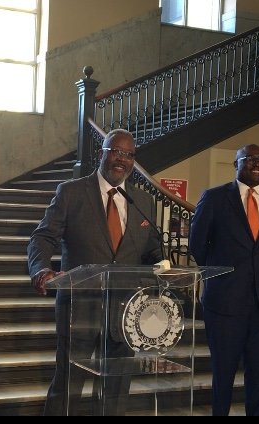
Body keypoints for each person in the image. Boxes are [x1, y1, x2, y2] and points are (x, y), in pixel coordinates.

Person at [27, 128, 163, 416]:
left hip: (126, 312)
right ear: (102, 153)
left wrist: (163, 274)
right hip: (80, 308)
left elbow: (153, 251)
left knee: (116, 388)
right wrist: (41, 270)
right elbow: (43, 237)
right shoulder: (72, 192)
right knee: (68, 385)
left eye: (128, 155)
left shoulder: (142, 201)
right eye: (115, 151)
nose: (121, 159)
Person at [188, 144, 259, 416]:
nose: (256, 164)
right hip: (224, 304)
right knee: (223, 373)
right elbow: (197, 247)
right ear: (236, 165)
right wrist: (223, 277)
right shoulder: (214, 198)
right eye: (249, 159)